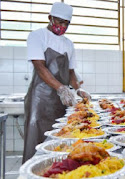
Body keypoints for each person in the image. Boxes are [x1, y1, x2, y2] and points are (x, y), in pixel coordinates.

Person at [23, 2, 91, 163]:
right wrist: (61, 88)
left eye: (66, 23)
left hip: (61, 102)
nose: (63, 26)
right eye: (59, 21)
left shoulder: (69, 44)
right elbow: (40, 67)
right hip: (39, 101)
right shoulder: (37, 36)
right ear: (50, 18)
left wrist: (78, 90)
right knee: (37, 140)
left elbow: (71, 73)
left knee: (60, 142)